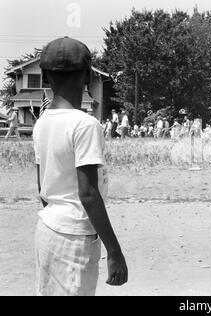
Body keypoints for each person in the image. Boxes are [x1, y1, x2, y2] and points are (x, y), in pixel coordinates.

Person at [33, 37, 127, 296]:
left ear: (44, 77)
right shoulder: (84, 124)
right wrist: (114, 251)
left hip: (48, 228)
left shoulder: (42, 123)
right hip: (75, 237)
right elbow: (88, 193)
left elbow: (42, 186)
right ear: (88, 76)